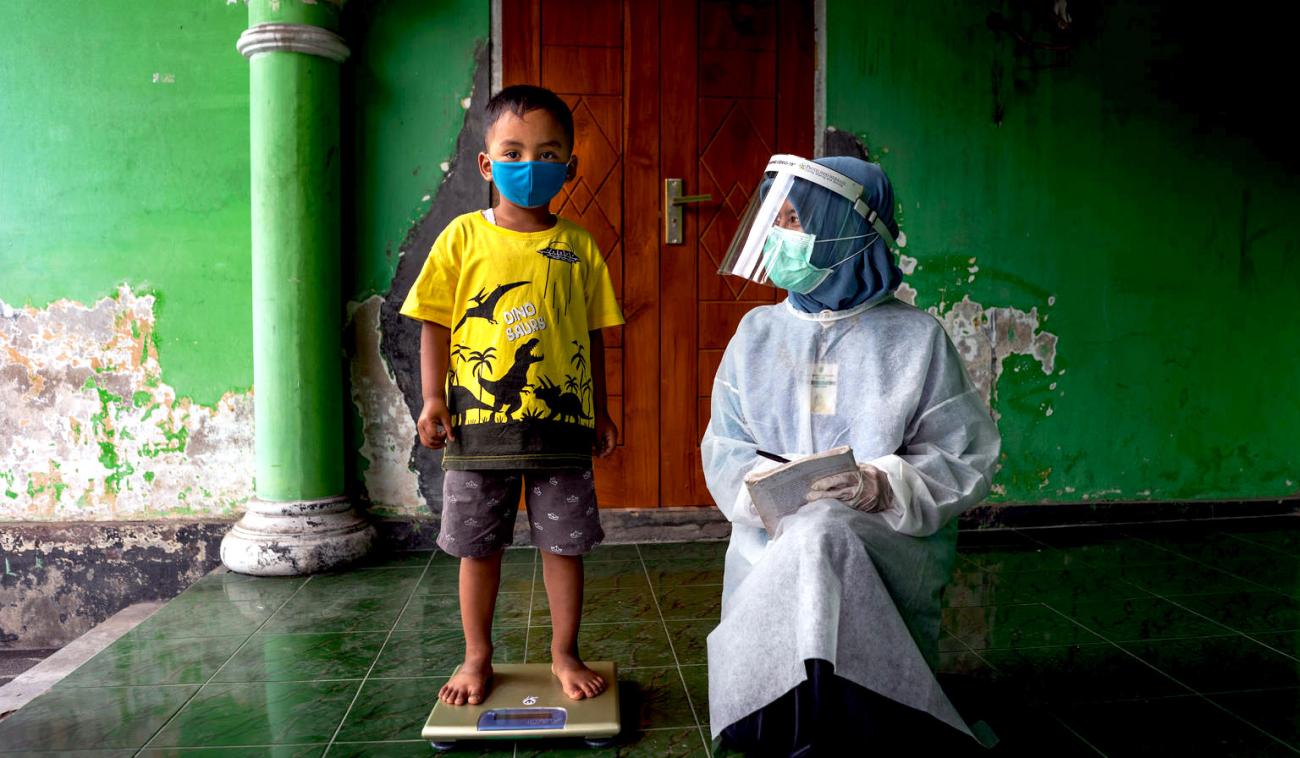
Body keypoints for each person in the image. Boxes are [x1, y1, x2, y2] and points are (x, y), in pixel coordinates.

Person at [703, 155, 1001, 754]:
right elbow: (724, 446)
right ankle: (787, 708)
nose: (778, 237)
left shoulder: (917, 340)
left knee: (826, 534)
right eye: (776, 220)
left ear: (842, 228)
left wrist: (882, 484)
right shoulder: (757, 335)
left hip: (884, 537)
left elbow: (964, 456)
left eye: (794, 220)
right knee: (812, 531)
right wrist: (766, 485)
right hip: (773, 538)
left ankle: (838, 713)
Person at [400, 84, 624, 706]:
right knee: (478, 549)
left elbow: (592, 335)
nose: (531, 166)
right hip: (478, 434)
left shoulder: (578, 247)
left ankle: (564, 653)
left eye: (548, 153)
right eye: (514, 151)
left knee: (566, 545)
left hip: (562, 430)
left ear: (570, 167)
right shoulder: (461, 239)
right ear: (486, 162)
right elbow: (434, 322)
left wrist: (601, 409)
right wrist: (431, 399)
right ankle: (476, 657)